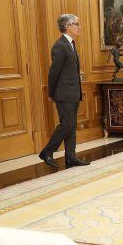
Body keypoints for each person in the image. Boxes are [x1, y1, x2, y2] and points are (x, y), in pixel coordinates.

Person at [39, 14, 89, 168]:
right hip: (63, 93)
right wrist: (51, 93)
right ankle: (47, 152)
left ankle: (71, 157)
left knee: (71, 126)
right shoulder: (60, 46)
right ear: (67, 27)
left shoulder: (70, 44)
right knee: (66, 124)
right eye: (76, 24)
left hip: (73, 92)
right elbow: (54, 72)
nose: (79, 27)